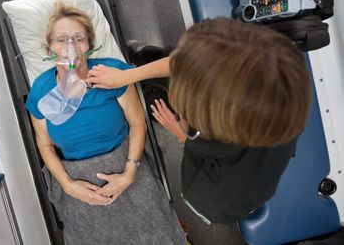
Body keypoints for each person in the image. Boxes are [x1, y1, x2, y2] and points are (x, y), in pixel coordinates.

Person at [86, 17, 312, 224]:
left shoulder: (209, 179)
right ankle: (148, 57)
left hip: (216, 198)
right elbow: (189, 61)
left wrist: (180, 134)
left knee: (160, 103)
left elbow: (198, 141)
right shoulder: (273, 77)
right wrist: (126, 76)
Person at [25, 3, 186, 244]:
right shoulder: (40, 91)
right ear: (50, 47)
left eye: (78, 38)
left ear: (89, 44)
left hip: (124, 162)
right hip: (76, 177)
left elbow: (137, 123)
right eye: (61, 39)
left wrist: (129, 173)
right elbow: (45, 146)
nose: (70, 47)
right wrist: (68, 185)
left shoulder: (111, 73)